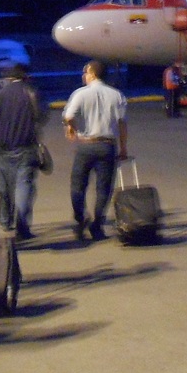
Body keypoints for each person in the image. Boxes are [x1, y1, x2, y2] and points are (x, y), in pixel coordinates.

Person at [62, 60, 128, 241]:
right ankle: (97, 225)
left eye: (86, 72)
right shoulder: (117, 95)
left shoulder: (80, 94)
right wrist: (123, 148)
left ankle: (80, 218)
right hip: (107, 145)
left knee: (77, 185)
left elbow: (68, 116)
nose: (84, 76)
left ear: (92, 73)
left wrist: (72, 129)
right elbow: (122, 124)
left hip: (85, 144)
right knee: (104, 188)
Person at [0, 64, 45, 240]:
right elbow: (40, 117)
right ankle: (22, 226)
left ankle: (5, 222)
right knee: (23, 187)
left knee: (3, 187)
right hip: (26, 148)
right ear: (24, 76)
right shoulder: (31, 93)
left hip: (2, 148)